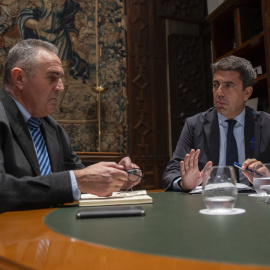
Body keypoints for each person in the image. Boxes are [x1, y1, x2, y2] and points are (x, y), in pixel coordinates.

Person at [0, 38, 141, 213]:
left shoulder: (54, 129)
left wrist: (115, 177)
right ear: (20, 78)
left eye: (60, 79)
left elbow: (80, 176)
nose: (60, 87)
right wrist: (77, 181)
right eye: (52, 77)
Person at [163, 55, 270, 191]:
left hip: (255, 205)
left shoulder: (267, 124)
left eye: (228, 85)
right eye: (216, 85)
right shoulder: (194, 125)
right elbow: (171, 173)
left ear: (247, 93)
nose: (219, 92)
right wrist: (184, 183)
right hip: (209, 203)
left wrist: (268, 179)